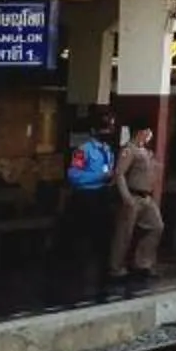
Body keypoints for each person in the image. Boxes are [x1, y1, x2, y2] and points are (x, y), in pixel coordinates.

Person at [59, 117, 117, 295]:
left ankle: (102, 275)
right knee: (83, 236)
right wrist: (98, 177)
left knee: (104, 237)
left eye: (109, 129)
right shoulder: (83, 151)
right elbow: (74, 175)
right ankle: (77, 276)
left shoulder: (108, 150)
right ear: (94, 131)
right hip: (85, 196)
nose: (107, 133)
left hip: (103, 195)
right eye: (104, 129)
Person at [108, 121, 162, 287]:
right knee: (124, 234)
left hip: (147, 197)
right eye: (147, 131)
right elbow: (119, 174)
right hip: (133, 195)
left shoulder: (146, 151)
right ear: (140, 132)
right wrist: (126, 197)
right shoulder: (129, 150)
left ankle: (142, 264)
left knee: (156, 226)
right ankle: (116, 269)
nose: (149, 134)